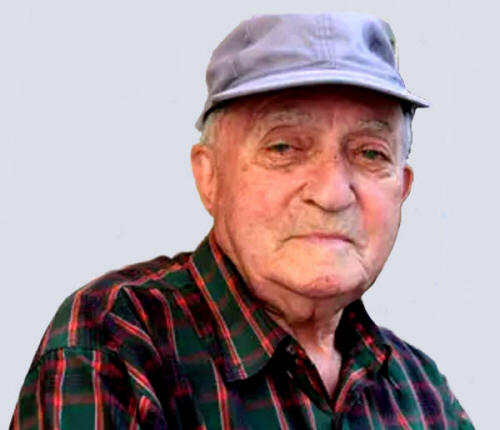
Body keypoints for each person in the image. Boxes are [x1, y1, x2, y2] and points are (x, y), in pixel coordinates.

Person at [10, 12, 474, 429]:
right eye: (283, 147)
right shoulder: (117, 343)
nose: (332, 194)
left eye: (370, 153)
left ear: (403, 188)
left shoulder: (423, 393)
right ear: (209, 177)